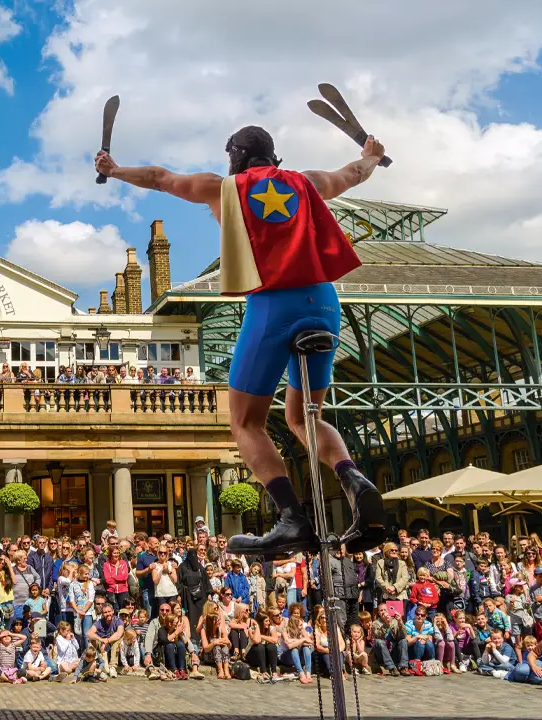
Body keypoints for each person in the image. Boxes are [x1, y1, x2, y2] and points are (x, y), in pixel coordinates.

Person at [95, 127, 389, 555]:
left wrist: (115, 170)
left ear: (234, 156)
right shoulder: (308, 182)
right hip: (323, 302)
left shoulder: (222, 188)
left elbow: (160, 177)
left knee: (246, 421)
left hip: (273, 305)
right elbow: (353, 173)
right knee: (306, 416)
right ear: (274, 155)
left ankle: (292, 519)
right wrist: (373, 156)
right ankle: (354, 480)